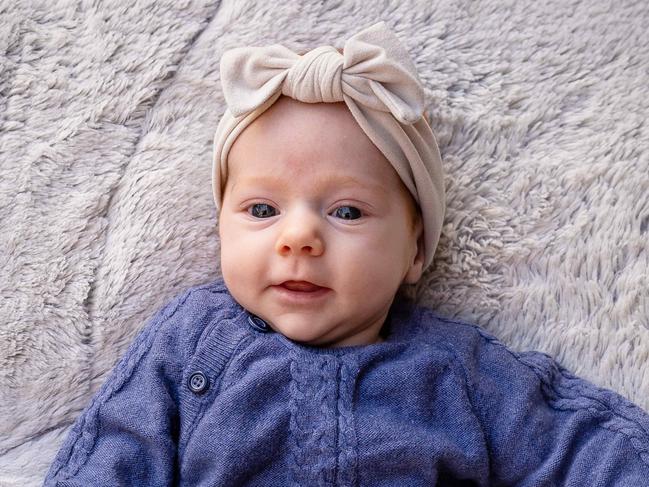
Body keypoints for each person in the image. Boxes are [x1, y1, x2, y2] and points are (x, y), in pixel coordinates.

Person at [43, 21, 649, 486]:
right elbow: (114, 451)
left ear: (414, 252)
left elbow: (587, 445)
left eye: (348, 212)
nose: (299, 237)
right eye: (261, 210)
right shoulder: (190, 340)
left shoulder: (458, 370)